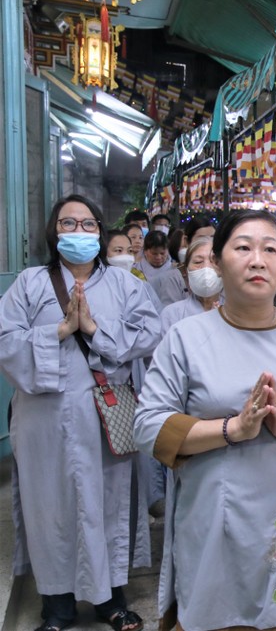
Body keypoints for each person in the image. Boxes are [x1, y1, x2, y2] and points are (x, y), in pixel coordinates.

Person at [133, 210, 276, 630]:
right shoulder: (186, 337)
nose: (258, 260)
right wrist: (231, 430)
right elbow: (148, 424)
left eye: (269, 249)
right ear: (217, 263)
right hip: (219, 519)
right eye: (243, 248)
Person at [0, 194, 161, 631]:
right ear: (54, 232)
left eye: (88, 225)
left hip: (102, 416)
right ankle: (56, 606)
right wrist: (59, 330)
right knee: (49, 508)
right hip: (44, 419)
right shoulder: (31, 283)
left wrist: (93, 330)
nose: (79, 233)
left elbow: (151, 332)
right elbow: (5, 341)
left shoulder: (127, 284)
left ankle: (111, 599)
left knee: (107, 505)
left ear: (101, 232)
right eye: (68, 225)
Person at [159, 236, 222, 334]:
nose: (206, 267)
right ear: (186, 271)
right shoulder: (171, 314)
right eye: (198, 262)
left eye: (213, 261)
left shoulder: (238, 313)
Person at [150, 217, 215, 308]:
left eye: (213, 238)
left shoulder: (222, 274)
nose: (208, 243)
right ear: (186, 241)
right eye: (202, 238)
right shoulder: (172, 279)